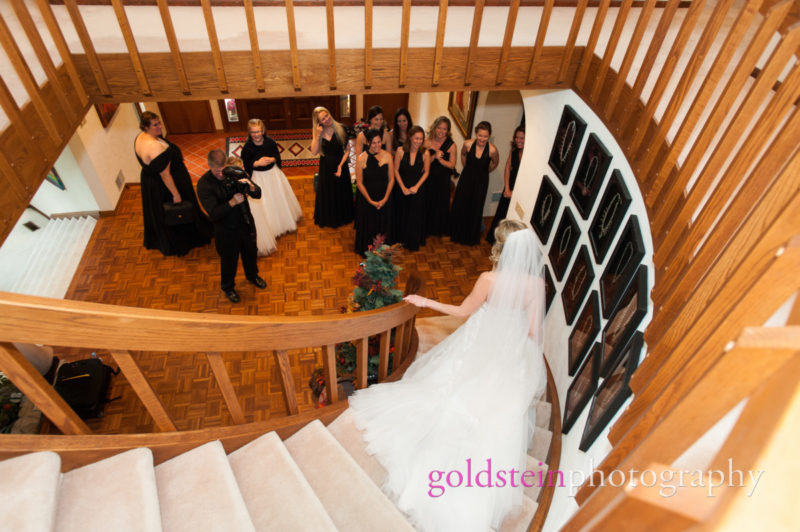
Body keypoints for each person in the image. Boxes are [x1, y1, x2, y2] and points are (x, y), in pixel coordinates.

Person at [348, 219, 547, 531]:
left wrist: (424, 301)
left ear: (500, 248)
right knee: (494, 409)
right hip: (509, 349)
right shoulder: (537, 285)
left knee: (453, 387)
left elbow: (463, 312)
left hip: (481, 340)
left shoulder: (489, 279)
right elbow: (534, 333)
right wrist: (517, 354)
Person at [133, 111, 211, 256]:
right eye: (155, 125)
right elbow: (165, 175)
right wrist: (176, 194)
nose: (160, 127)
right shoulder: (155, 147)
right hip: (167, 185)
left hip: (150, 183)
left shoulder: (140, 137)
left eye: (159, 122)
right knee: (178, 212)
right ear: (145, 127)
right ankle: (185, 240)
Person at [197, 150, 268, 303]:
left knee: (250, 253)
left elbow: (258, 194)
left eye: (223, 168)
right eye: (217, 170)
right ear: (209, 166)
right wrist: (232, 203)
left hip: (245, 223)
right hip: (226, 231)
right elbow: (214, 214)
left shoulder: (235, 173)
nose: (222, 173)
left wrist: (250, 186)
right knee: (229, 261)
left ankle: (252, 276)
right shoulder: (204, 185)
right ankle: (228, 287)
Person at [240, 119, 302, 246]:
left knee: (278, 198)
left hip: (273, 175)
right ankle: (271, 228)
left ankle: (284, 222)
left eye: (259, 131)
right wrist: (256, 163)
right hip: (259, 177)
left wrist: (271, 159)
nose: (257, 135)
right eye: (253, 132)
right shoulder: (247, 148)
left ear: (263, 131)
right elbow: (246, 165)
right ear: (249, 133)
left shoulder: (270, 142)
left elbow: (277, 157)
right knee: (265, 202)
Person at [449, 121, 499, 245]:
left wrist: (485, 172)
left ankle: (469, 236)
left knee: (475, 207)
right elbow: (463, 155)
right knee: (461, 203)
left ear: (489, 136)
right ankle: (456, 233)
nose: (482, 139)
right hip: (466, 178)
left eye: (485, 136)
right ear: (476, 133)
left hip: (481, 182)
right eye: (480, 135)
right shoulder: (467, 144)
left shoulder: (492, 150)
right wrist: (468, 169)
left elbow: (494, 163)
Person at [311, 106, 355, 228]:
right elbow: (314, 152)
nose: (327, 119)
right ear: (318, 122)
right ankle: (330, 218)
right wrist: (318, 135)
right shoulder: (318, 133)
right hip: (325, 168)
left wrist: (341, 166)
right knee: (328, 192)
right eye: (323, 119)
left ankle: (342, 217)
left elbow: (347, 150)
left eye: (327, 115)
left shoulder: (341, 128)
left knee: (341, 192)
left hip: (340, 165)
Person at [226, 155, 277, 256]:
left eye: (243, 167)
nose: (243, 170)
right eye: (240, 168)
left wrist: (250, 186)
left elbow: (256, 193)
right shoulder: (228, 183)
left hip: (252, 205)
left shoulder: (246, 176)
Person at [354, 128, 394, 256]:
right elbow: (359, 182)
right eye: (373, 143)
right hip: (367, 198)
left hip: (384, 197)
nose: (377, 145)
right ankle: (370, 250)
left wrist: (385, 198)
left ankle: (382, 250)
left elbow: (391, 179)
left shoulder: (388, 156)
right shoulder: (361, 158)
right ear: (368, 143)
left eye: (379, 142)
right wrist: (370, 201)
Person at [392, 125, 430, 251]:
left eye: (421, 139)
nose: (419, 141)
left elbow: (426, 172)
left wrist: (416, 187)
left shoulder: (425, 153)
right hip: (402, 187)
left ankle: (412, 241)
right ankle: (400, 239)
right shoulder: (400, 151)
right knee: (402, 213)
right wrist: (402, 187)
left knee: (414, 216)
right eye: (416, 138)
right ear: (410, 138)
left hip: (417, 188)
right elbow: (395, 170)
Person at [487, 126, 525, 245]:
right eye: (517, 137)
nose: (518, 140)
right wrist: (507, 188)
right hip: (509, 186)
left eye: (522, 138)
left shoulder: (530, 156)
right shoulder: (514, 151)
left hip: (521, 189)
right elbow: (508, 168)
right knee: (502, 213)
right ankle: (497, 240)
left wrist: (515, 192)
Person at [424, 116, 458, 237]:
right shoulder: (427, 141)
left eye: (444, 129)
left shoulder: (451, 145)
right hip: (428, 178)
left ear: (448, 131)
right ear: (435, 127)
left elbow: (452, 165)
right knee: (428, 202)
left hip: (443, 180)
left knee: (439, 204)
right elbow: (423, 163)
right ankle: (426, 227)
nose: (441, 131)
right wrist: (434, 156)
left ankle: (437, 229)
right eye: (439, 128)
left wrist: (440, 160)